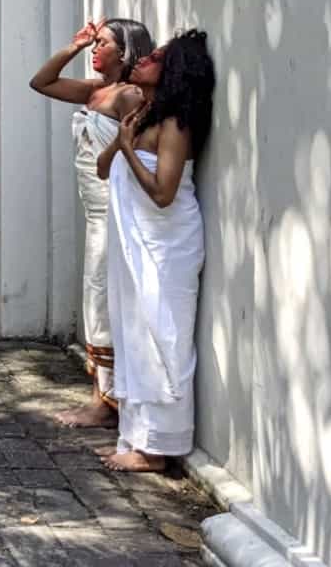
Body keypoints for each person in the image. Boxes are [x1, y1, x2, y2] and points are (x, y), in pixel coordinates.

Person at [96, 29, 215, 471]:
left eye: (157, 57)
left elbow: (163, 194)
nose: (144, 58)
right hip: (135, 243)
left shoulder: (176, 123)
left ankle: (160, 447)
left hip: (167, 243)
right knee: (133, 333)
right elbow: (102, 168)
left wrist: (128, 148)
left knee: (163, 334)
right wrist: (121, 143)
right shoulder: (145, 114)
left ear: (174, 72)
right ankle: (136, 438)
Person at [30, 18, 153, 427]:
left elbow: (132, 149)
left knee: (103, 299)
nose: (96, 50)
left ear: (126, 51)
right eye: (95, 43)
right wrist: (75, 46)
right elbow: (41, 82)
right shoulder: (92, 91)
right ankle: (103, 395)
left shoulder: (129, 96)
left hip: (115, 209)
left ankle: (108, 403)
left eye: (103, 44)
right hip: (94, 211)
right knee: (95, 297)